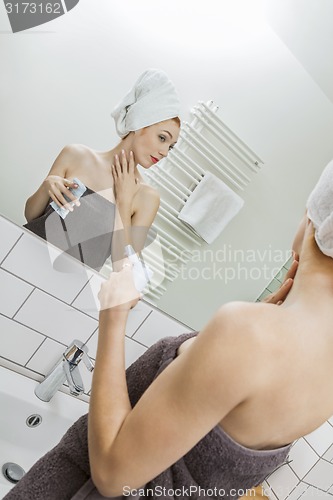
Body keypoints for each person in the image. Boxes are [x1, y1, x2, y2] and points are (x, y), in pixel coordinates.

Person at [23, 69, 181, 272]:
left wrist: (124, 201)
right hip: (19, 255)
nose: (165, 152)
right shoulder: (75, 155)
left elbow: (123, 267)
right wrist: (47, 187)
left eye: (171, 146)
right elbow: (30, 216)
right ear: (140, 124)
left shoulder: (146, 197)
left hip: (66, 290)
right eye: (162, 138)